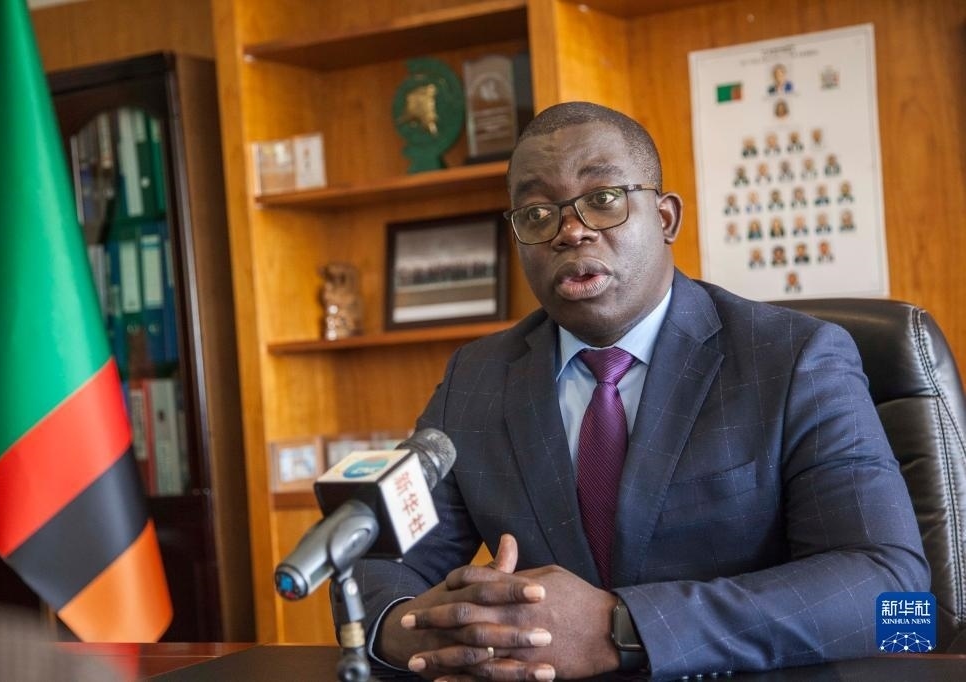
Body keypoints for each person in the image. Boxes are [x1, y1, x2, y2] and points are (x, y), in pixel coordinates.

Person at [345, 102, 928, 681]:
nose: (571, 230)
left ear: (666, 218)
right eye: (537, 213)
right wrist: (416, 629)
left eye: (603, 199)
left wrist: (623, 627)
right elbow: (377, 554)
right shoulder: (477, 378)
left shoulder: (796, 358)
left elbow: (897, 599)